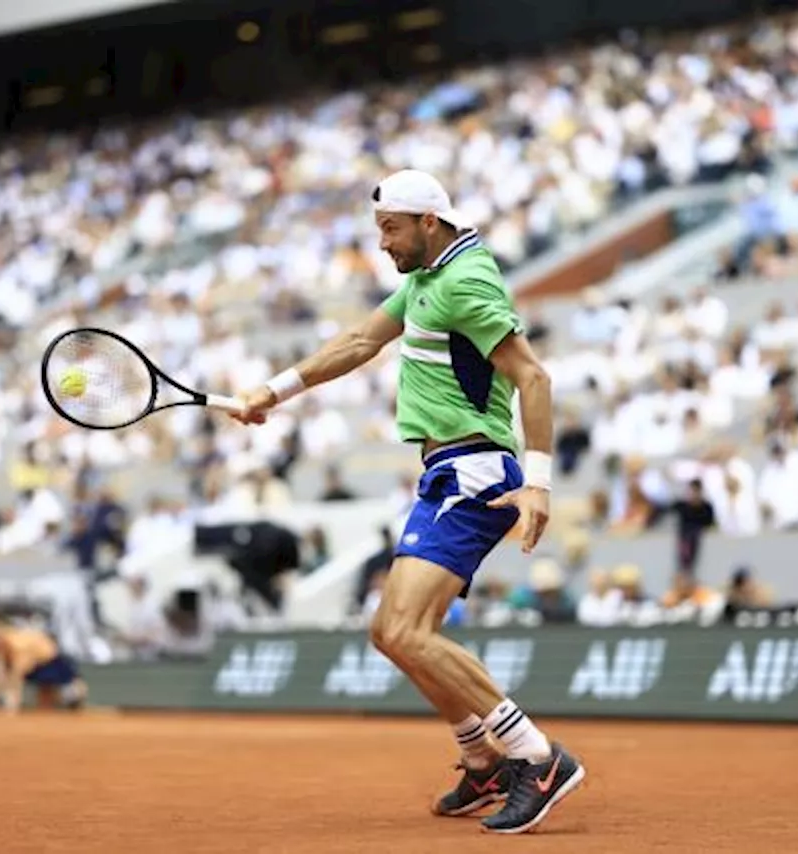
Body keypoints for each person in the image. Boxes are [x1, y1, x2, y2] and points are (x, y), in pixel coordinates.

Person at [231, 169, 584, 834]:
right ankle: (481, 759)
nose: (383, 243)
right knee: (388, 633)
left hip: (475, 474)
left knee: (405, 632)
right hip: (444, 474)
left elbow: (533, 376)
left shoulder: (466, 279)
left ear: (430, 222)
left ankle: (536, 757)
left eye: (391, 228)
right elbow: (360, 342)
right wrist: (271, 392)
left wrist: (537, 482)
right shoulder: (425, 281)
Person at [0, 612, 87, 714]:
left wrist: (11, 704)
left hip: (51, 661)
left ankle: (73, 700)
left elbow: (17, 676)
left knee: (69, 693)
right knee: (44, 702)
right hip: (35, 663)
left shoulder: (19, 644)